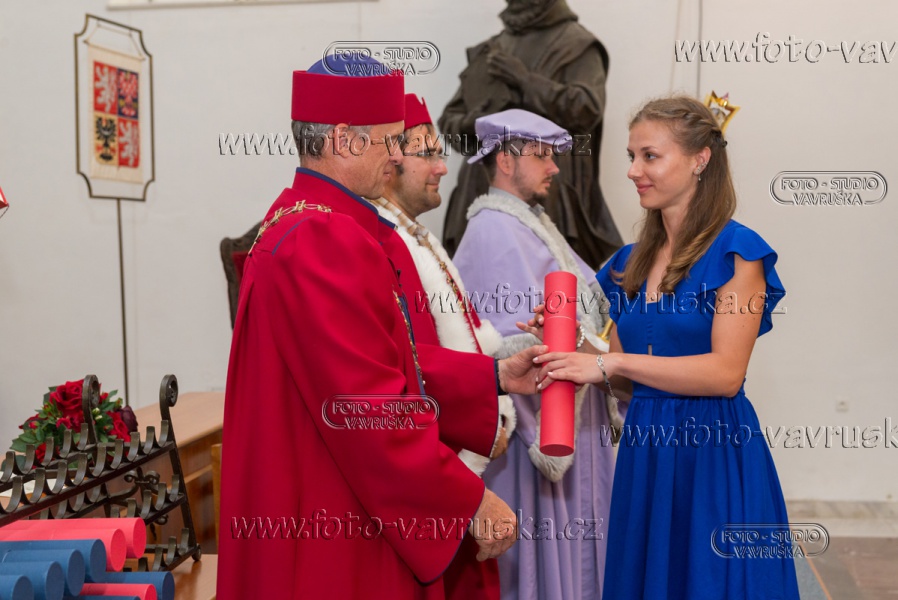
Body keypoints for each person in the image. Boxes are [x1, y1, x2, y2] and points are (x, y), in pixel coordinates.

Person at [217, 55, 545, 600]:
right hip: (334, 517)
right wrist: (468, 501)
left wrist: (491, 376)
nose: (398, 155)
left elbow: (382, 360)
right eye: (391, 140)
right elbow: (368, 408)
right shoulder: (323, 239)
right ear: (343, 140)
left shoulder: (297, 219)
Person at [533, 96, 800, 599]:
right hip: (646, 453)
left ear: (700, 159)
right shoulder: (628, 263)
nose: (633, 171)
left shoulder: (738, 254)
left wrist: (609, 360)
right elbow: (625, 383)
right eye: (631, 156)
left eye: (649, 156)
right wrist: (572, 345)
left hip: (712, 454)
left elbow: (725, 374)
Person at [453, 109, 625, 600]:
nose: (554, 167)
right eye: (542, 156)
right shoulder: (493, 230)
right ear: (506, 160)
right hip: (541, 437)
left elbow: (588, 307)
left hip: (574, 421)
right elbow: (513, 348)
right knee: (543, 565)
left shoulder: (529, 224)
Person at [369, 93, 520, 600]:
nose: (442, 167)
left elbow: (466, 337)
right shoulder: (384, 244)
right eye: (429, 153)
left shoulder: (417, 237)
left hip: (455, 456)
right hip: (430, 475)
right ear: (391, 160)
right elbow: (408, 366)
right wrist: (486, 405)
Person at [438, 0, 622, 268]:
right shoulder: (492, 49)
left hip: (547, 188)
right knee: (475, 279)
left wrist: (524, 80)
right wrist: (478, 121)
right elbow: (450, 120)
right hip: (479, 187)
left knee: (545, 277)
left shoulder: (576, 44)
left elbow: (586, 110)